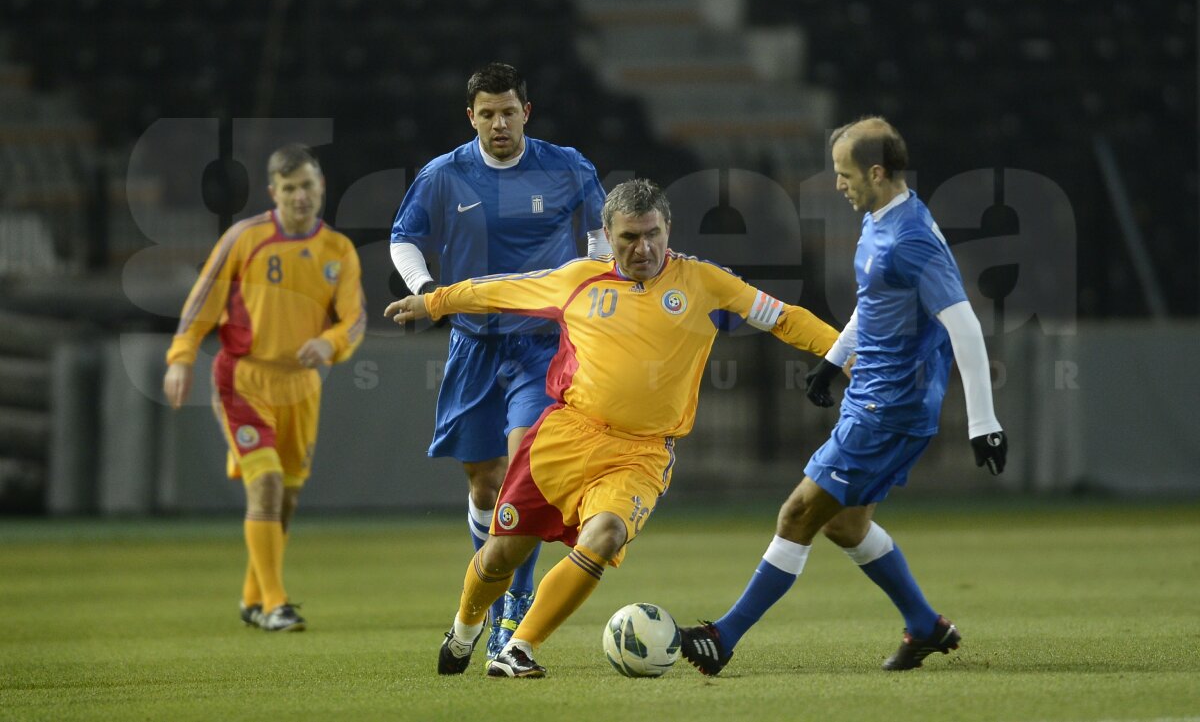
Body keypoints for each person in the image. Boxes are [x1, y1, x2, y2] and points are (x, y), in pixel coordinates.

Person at [385, 178, 840, 678]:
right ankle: (465, 630)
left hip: (640, 453)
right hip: (564, 437)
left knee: (604, 535)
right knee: (499, 558)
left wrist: (845, 353)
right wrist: (434, 301)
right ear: (607, 234)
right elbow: (501, 290)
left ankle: (519, 647)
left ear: (669, 229)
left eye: (653, 234)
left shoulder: (704, 281)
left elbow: (784, 317)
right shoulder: (578, 278)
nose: (643, 248)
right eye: (628, 238)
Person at [677, 116, 1009, 675]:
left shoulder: (912, 239)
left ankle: (723, 636)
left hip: (892, 405)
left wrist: (983, 422)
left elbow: (965, 326)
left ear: (877, 172)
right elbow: (874, 303)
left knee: (798, 512)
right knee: (845, 524)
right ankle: (925, 626)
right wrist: (832, 363)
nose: (838, 184)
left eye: (845, 173)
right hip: (871, 393)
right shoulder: (881, 219)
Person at [389, 62, 608, 658]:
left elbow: (600, 240)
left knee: (523, 475)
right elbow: (403, 236)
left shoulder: (567, 166)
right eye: (487, 113)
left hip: (542, 346)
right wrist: (428, 290)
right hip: (473, 344)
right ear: (471, 117)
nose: (498, 122)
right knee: (485, 486)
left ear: (526, 112)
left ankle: (515, 612)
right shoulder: (444, 175)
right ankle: (485, 587)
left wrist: (590, 294)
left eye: (508, 111)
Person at [163, 143, 366, 632]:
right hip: (243, 379)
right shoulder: (244, 237)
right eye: (290, 188)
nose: (300, 196)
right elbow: (203, 301)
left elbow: (355, 321)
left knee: (287, 500)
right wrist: (180, 357)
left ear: (321, 188)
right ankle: (276, 603)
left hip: (301, 387)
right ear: (274, 192)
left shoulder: (337, 250)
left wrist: (330, 342)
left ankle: (253, 599)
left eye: (308, 185)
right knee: (267, 485)